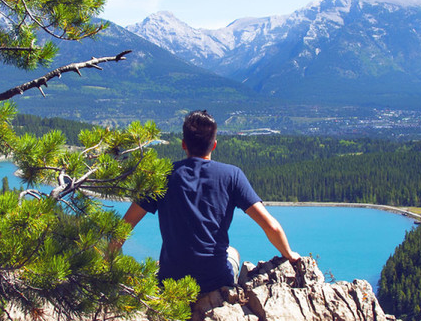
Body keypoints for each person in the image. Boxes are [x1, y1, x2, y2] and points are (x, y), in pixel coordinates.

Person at [122, 110, 300, 293]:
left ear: (183, 144)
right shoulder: (232, 175)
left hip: (171, 283)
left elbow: (124, 226)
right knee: (232, 252)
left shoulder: (162, 175)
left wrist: (108, 267)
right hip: (215, 283)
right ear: (214, 145)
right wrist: (289, 254)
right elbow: (271, 226)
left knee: (161, 263)